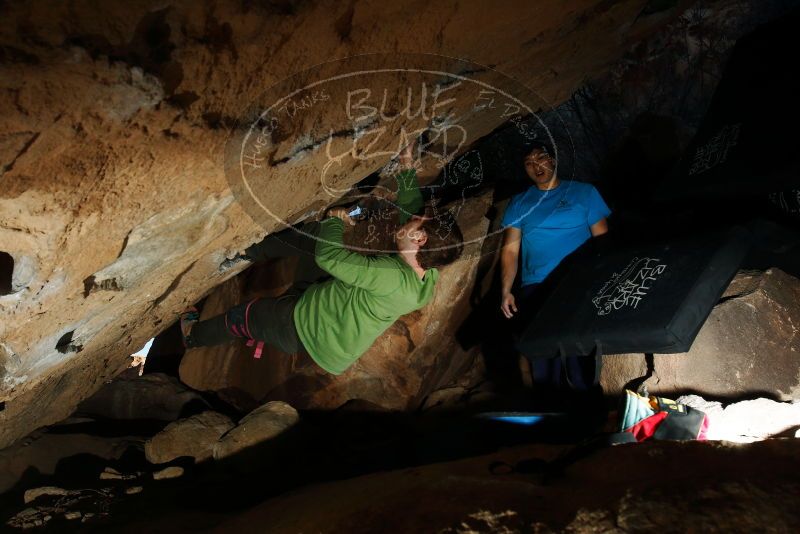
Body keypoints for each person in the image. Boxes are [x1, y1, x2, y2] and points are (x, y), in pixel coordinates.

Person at [180, 167, 464, 376]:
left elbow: (330, 259)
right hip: (324, 305)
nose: (411, 218)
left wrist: (334, 220)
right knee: (315, 238)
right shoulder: (426, 274)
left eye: (417, 222)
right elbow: (410, 214)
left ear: (420, 239)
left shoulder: (392, 277)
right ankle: (248, 251)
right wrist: (405, 170)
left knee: (243, 317)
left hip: (302, 327)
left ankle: (192, 336)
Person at [499, 142, 611, 389]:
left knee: (578, 352)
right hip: (536, 286)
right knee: (544, 354)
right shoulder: (520, 203)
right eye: (528, 162)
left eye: (541, 158)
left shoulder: (584, 192)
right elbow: (510, 249)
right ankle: (550, 409)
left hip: (579, 282)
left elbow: (603, 240)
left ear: (553, 160)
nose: (535, 165)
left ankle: (586, 406)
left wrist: (605, 278)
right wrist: (506, 289)